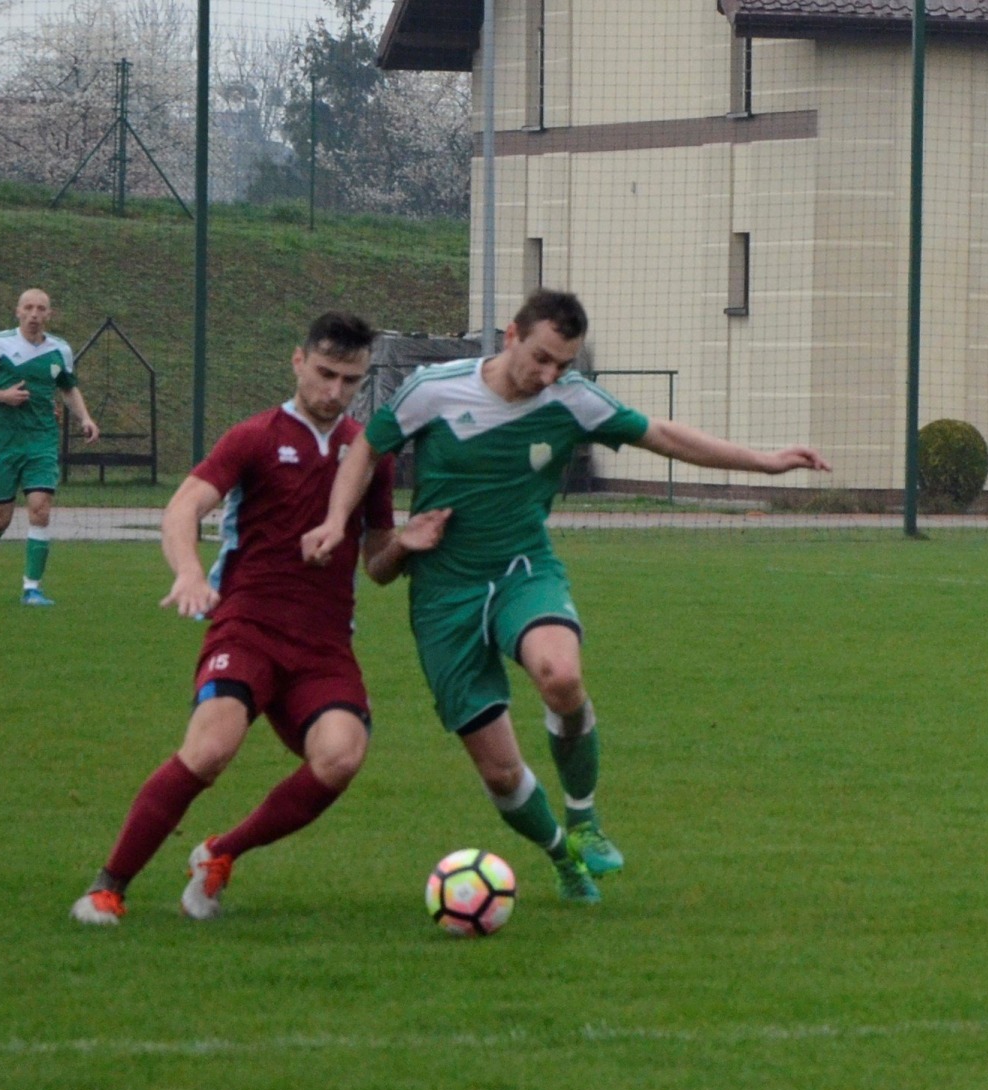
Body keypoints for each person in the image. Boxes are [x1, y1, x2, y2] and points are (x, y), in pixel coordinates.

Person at [303, 288, 831, 904]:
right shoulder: (433, 389)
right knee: (500, 772)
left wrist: (766, 463)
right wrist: (339, 521)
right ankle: (562, 854)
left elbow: (660, 434)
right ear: (510, 337)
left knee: (559, 675)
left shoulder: (572, 400)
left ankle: (584, 817)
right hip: (443, 595)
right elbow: (368, 446)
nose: (550, 375)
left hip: (524, 569)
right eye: (542, 358)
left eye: (564, 363)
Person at [71, 311, 450, 925]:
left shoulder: (368, 455)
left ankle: (220, 854)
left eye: (350, 380)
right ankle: (107, 886)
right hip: (246, 626)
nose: (334, 391)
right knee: (212, 748)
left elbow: (375, 565)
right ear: (298, 361)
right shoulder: (253, 436)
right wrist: (189, 574)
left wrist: (405, 544)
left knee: (342, 756)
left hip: (324, 645)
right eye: (325, 373)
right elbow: (183, 507)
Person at [0, 287, 100, 606]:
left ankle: (31, 588)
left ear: (49, 314)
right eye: (29, 308)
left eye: (41, 309)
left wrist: (85, 418)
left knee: (40, 508)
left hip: (41, 440)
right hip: (2, 441)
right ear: (18, 312)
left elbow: (68, 388)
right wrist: (1, 396)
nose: (35, 314)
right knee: (0, 518)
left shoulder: (59, 350)